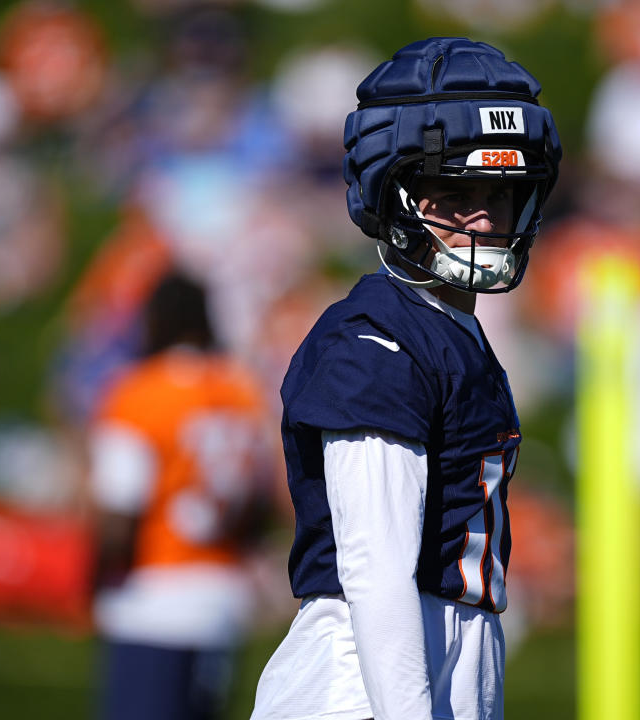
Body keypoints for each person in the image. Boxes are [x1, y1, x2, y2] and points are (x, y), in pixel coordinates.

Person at [250, 37, 561, 720]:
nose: (482, 217)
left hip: (434, 669)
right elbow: (377, 573)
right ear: (393, 196)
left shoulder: (453, 333)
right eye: (454, 194)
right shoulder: (375, 342)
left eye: (501, 194)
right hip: (363, 688)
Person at [89, 270, 271, 720]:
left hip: (154, 596)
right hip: (224, 598)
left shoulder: (140, 393)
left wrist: (91, 580)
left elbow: (120, 510)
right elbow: (260, 502)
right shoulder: (241, 390)